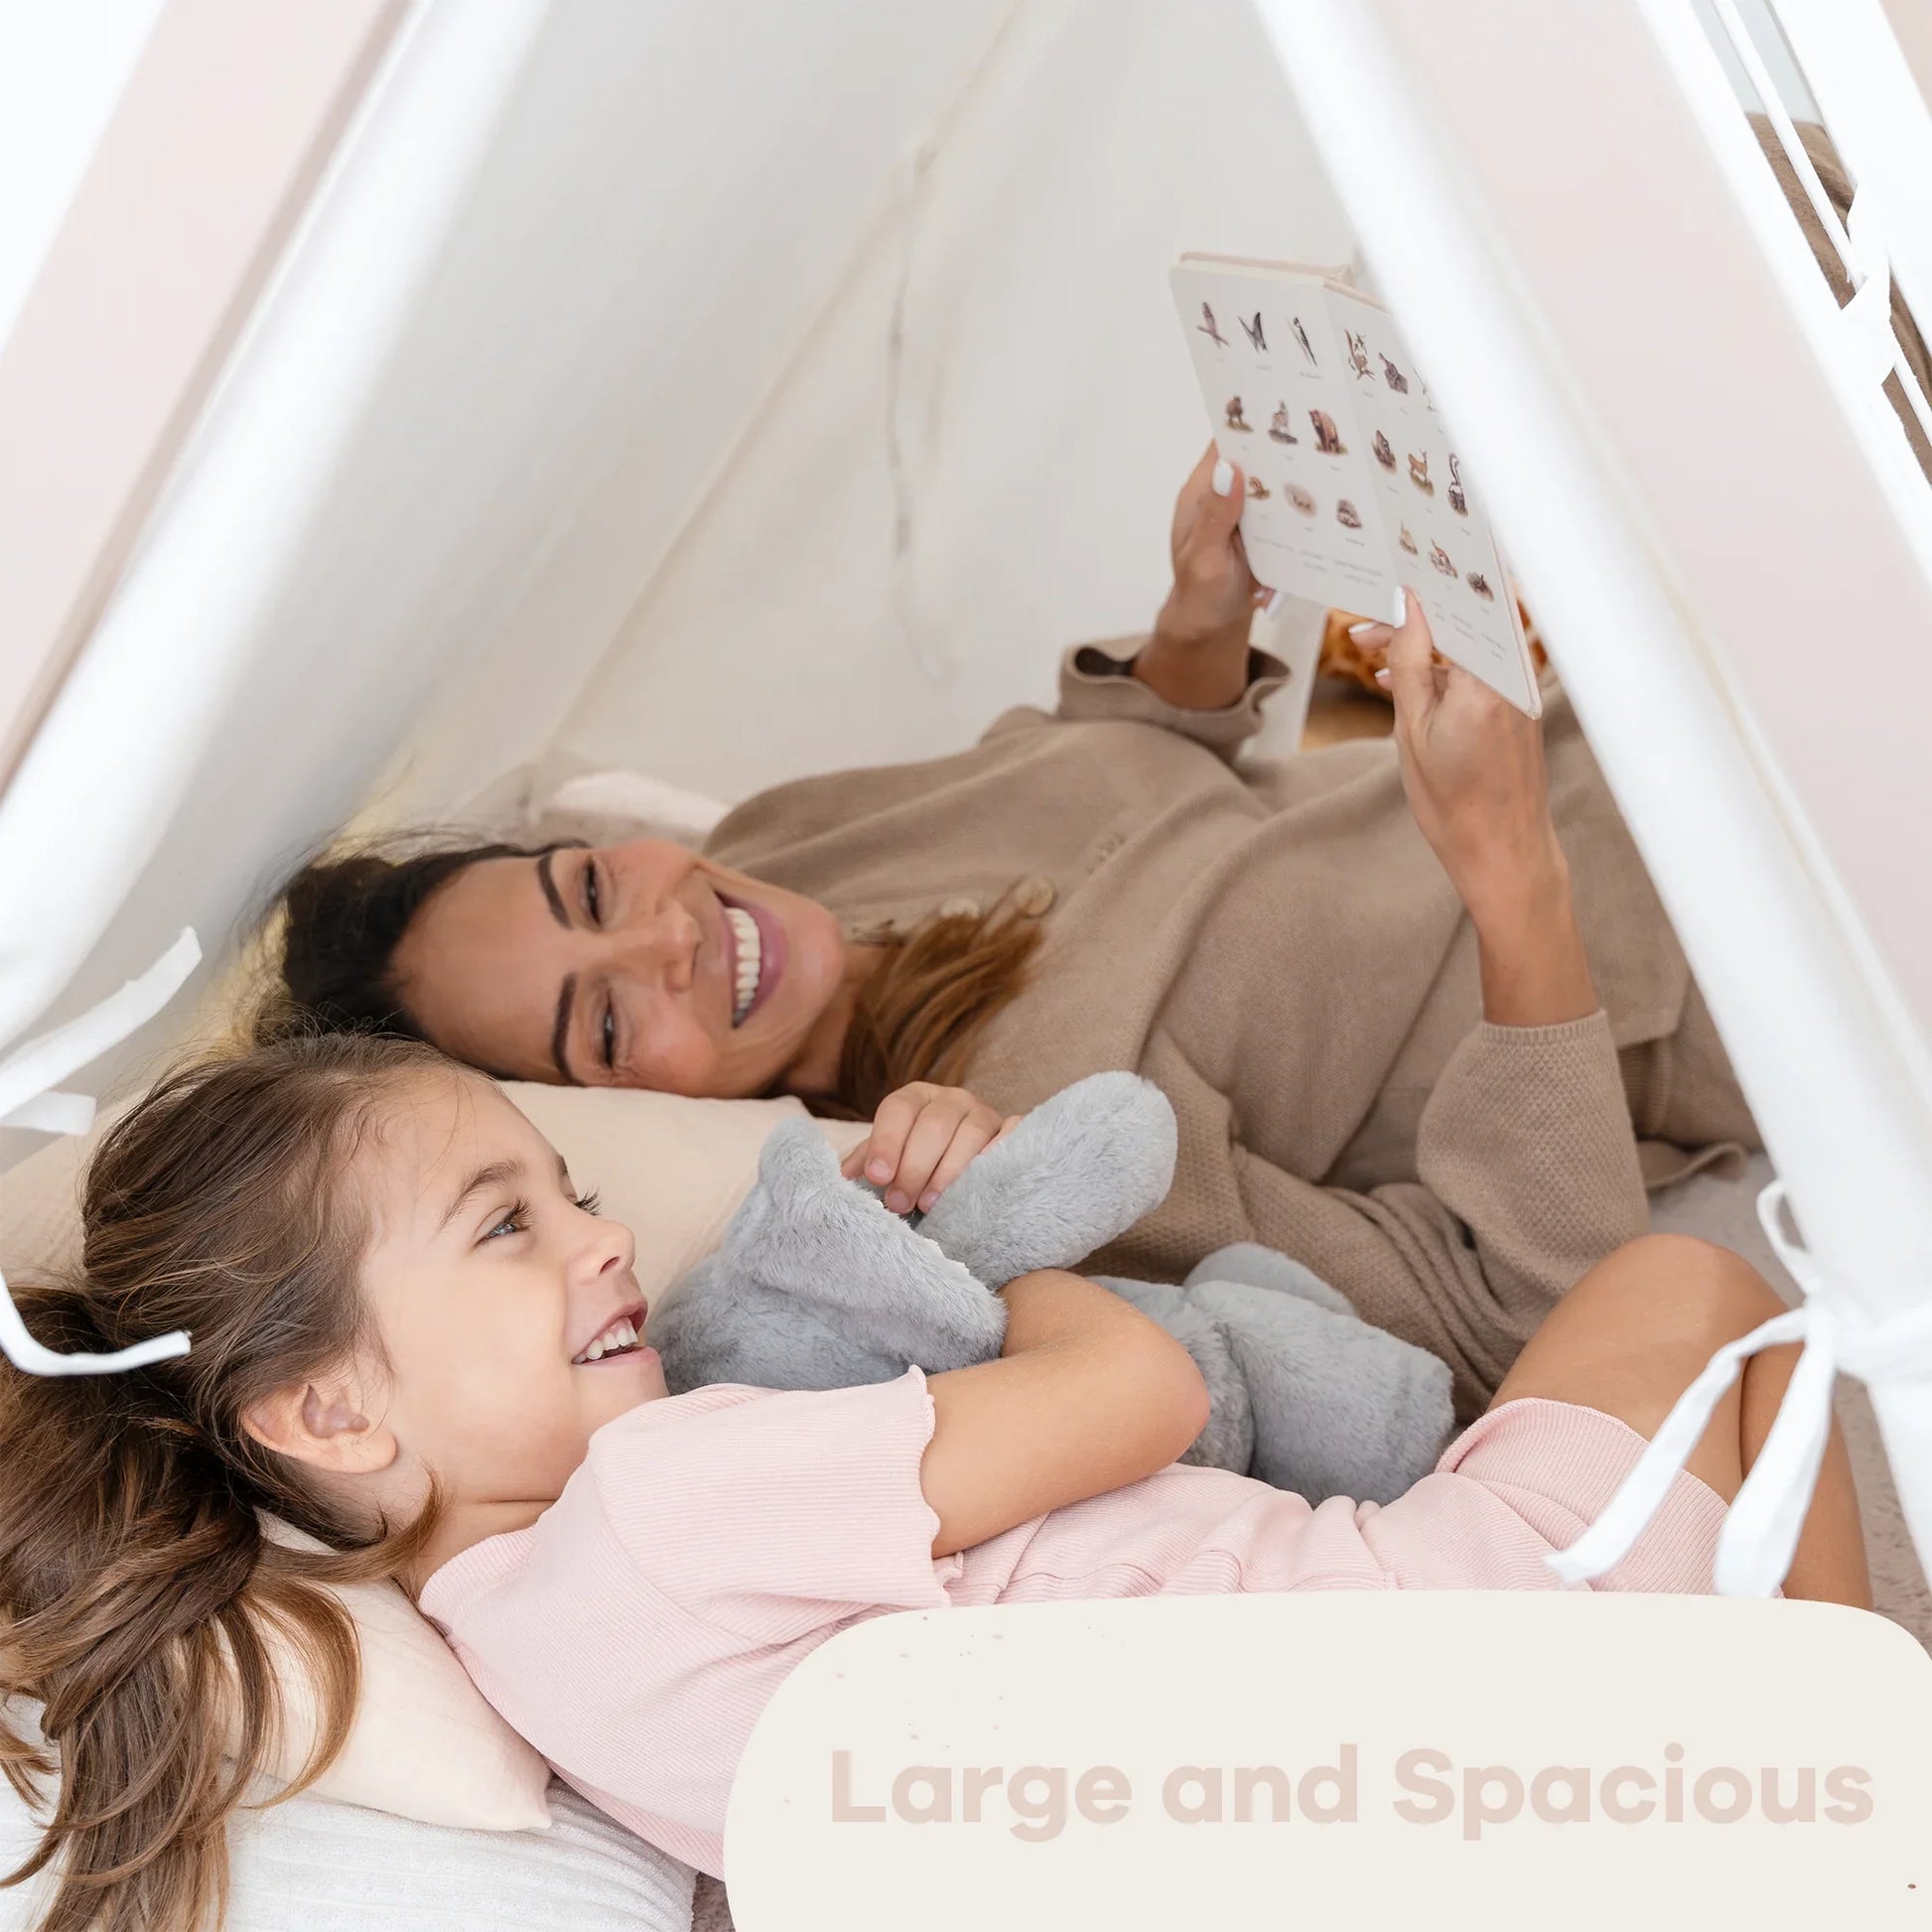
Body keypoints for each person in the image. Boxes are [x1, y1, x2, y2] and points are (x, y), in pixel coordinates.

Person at [0, 1035, 1869, 1918]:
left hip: (1358, 1776)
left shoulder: (534, 1666)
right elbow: (1135, 1383)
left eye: (570, 1187)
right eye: (505, 1223)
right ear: (327, 1413)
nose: (595, 1238)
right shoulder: (659, 1493)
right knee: (1701, 1289)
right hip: (1438, 1651)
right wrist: (993, 1258)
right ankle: (1854, 1794)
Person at [265, 459, 1754, 1417]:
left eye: (591, 886)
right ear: (638, 1112)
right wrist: (1507, 874)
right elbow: (1517, 1305)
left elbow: (1088, 762)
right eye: (601, 1024)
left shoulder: (782, 844)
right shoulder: (1034, 1172)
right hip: (1707, 949)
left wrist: (1195, 624)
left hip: (1613, 709)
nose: (665, 935)